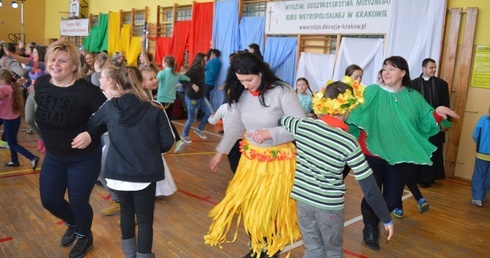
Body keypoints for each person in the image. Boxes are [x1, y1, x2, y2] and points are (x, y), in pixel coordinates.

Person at [346, 56, 459, 250]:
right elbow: (354, 115)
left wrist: (437, 112)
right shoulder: (372, 91)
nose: (386, 72)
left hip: (398, 157)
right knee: (372, 194)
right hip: (372, 155)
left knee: (391, 200)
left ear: (403, 73)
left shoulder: (413, 96)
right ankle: (370, 228)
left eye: (392, 68)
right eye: (384, 68)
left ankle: (375, 221)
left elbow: (424, 118)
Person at [205, 52, 306, 257]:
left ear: (261, 73)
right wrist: (220, 152)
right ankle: (257, 247)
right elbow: (236, 126)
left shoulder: (282, 92)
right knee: (251, 209)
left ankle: (268, 250)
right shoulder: (242, 94)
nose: (245, 85)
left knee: (267, 211)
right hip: (251, 162)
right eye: (241, 81)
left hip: (278, 164)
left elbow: (301, 126)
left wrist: (272, 133)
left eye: (249, 80)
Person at [280, 80, 393, 258]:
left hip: (303, 201)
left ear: (324, 102)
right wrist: (385, 217)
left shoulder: (303, 126)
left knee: (312, 249)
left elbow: (282, 118)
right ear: (348, 109)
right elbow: (369, 187)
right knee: (332, 252)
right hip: (328, 206)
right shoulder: (348, 143)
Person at [88, 66, 174, 258]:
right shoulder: (154, 107)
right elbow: (168, 142)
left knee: (126, 212)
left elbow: (92, 126)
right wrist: (150, 150)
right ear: (140, 82)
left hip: (117, 173)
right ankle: (143, 254)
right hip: (144, 172)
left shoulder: (110, 107)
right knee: (144, 220)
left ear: (117, 83)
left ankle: (129, 254)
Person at [35, 40, 107, 258]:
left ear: (75, 65)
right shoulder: (42, 85)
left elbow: (108, 118)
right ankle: (75, 224)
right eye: (52, 59)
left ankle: (85, 236)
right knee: (50, 200)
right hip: (54, 157)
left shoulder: (88, 92)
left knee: (78, 202)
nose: (55, 64)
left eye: (62, 60)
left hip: (83, 159)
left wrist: (90, 134)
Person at [412, 58, 451, 187]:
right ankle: (414, 177)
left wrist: (445, 123)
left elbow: (445, 104)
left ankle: (427, 179)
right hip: (418, 125)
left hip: (435, 124)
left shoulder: (441, 84)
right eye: (431, 68)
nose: (434, 70)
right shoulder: (413, 84)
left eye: (435, 67)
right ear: (423, 68)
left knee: (433, 151)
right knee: (418, 149)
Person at [0, 69, 40, 169]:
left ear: (3, 79)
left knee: (12, 143)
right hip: (13, 118)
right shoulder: (13, 86)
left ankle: (32, 157)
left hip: (9, 119)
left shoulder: (4, 88)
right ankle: (14, 160)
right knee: (12, 140)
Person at [97, 65, 122, 216]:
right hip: (106, 138)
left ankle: (119, 201)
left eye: (102, 77)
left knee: (102, 169)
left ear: (110, 80)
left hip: (113, 139)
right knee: (101, 170)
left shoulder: (113, 97)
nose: (99, 79)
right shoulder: (104, 95)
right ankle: (118, 200)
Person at [156, 55, 191, 153]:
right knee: (166, 122)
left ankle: (177, 140)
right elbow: (187, 78)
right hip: (171, 102)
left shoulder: (162, 73)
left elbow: (155, 81)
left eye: (162, 62)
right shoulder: (176, 74)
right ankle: (175, 140)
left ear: (165, 64)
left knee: (165, 122)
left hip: (162, 101)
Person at [181, 53, 213, 144]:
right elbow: (182, 79)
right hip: (193, 98)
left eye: (207, 60)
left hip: (201, 97)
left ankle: (199, 129)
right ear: (200, 61)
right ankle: (184, 135)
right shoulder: (193, 70)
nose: (207, 62)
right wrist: (192, 85)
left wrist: (211, 47)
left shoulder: (201, 69)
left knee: (210, 113)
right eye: (205, 60)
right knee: (192, 118)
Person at [207, 102, 241, 173]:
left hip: (230, 141)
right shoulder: (243, 106)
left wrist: (211, 116)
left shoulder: (224, 107)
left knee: (234, 164)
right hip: (243, 140)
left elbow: (212, 121)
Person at [471, 107, 490, 207]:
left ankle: (477, 198)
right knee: (489, 176)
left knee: (479, 175)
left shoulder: (483, 119)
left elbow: (475, 135)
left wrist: (479, 143)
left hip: (482, 153)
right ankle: (482, 195)